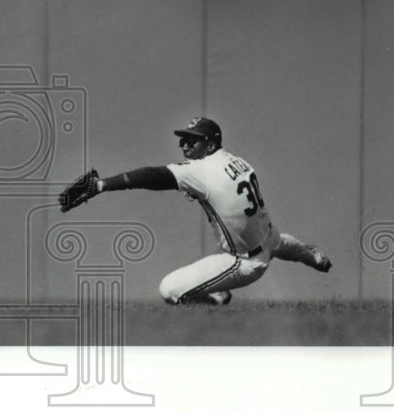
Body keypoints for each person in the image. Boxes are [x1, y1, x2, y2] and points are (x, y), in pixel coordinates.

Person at [70, 117, 331, 305]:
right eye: (183, 140)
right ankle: (314, 257)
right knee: (279, 243)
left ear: (210, 145)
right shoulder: (237, 161)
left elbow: (150, 176)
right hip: (267, 237)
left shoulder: (201, 170)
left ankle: (218, 296)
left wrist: (102, 185)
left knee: (169, 289)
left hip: (243, 260)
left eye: (192, 141)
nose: (184, 145)